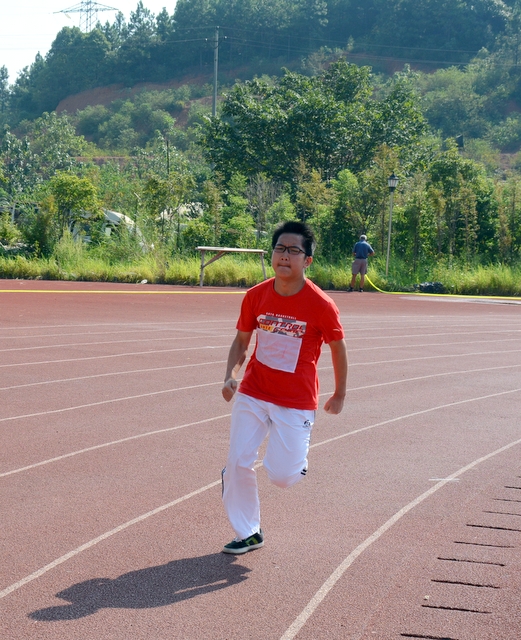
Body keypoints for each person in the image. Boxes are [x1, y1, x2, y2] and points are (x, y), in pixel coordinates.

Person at [220, 220, 348, 554]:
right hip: (254, 391)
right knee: (237, 461)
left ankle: (295, 461)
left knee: (282, 476)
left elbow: (338, 347)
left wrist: (339, 394)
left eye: (293, 250)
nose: (285, 256)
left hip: (295, 399)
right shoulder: (255, 296)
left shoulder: (321, 305)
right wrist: (230, 374)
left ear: (307, 260)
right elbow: (242, 341)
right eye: (279, 248)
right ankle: (248, 532)